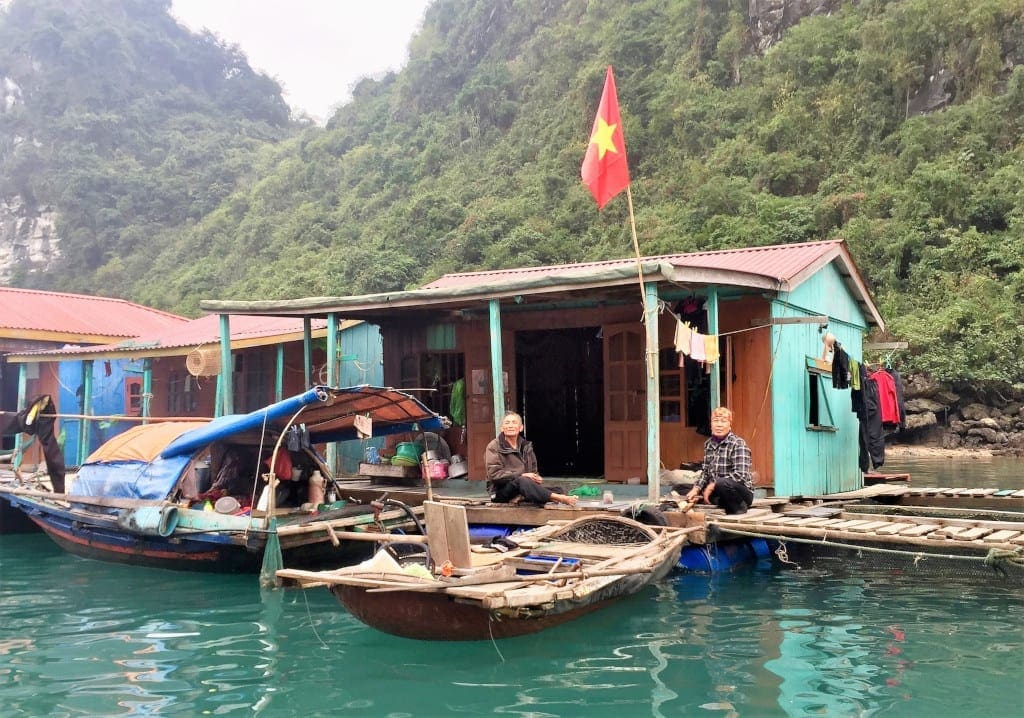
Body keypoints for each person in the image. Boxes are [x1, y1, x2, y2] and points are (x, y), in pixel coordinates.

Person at [485, 411, 577, 507]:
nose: (510, 426)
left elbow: (533, 471)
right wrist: (521, 475)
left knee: (559, 489)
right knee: (523, 481)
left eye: (514, 422)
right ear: (502, 428)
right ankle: (561, 498)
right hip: (500, 492)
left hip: (522, 488)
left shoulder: (526, 446)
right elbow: (494, 475)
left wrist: (536, 478)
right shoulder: (494, 446)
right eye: (507, 423)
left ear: (521, 428)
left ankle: (524, 497)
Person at [684, 407, 754, 514]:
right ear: (711, 424)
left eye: (723, 421)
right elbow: (706, 472)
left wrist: (713, 485)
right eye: (715, 421)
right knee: (680, 488)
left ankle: (739, 508)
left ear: (730, 425)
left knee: (721, 483)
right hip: (718, 490)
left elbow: (740, 475)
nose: (719, 425)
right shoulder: (708, 444)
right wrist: (696, 489)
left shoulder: (738, 444)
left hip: (740, 492)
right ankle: (717, 501)